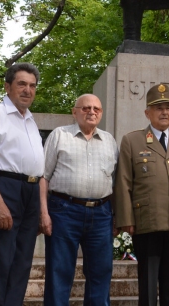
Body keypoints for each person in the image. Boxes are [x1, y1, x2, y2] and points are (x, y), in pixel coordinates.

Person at [114, 83, 169, 306]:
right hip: (147, 223)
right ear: (147, 113)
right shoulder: (132, 141)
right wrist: (126, 220)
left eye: (167, 108)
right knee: (148, 282)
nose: (164, 112)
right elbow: (123, 182)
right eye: (158, 107)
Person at [0, 63, 44, 306]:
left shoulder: (31, 122)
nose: (28, 90)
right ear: (7, 86)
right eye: (21, 84)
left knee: (21, 263)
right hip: (5, 188)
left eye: (32, 85)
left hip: (31, 192)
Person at [39, 94, 119, 306]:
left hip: (101, 214)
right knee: (60, 271)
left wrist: (116, 216)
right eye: (85, 108)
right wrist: (44, 213)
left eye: (96, 109)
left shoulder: (110, 140)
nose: (91, 112)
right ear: (74, 112)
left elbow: (116, 181)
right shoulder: (59, 135)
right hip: (64, 211)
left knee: (101, 273)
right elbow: (43, 177)